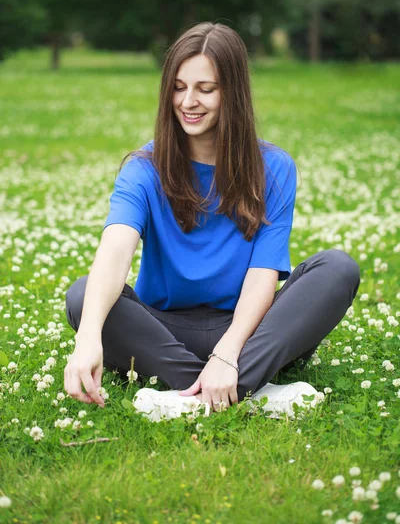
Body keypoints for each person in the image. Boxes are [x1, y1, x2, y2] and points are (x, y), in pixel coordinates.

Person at [64, 22, 360, 421]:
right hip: (164, 332)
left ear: (232, 93)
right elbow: (115, 250)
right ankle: (251, 392)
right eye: (179, 87)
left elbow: (262, 278)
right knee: (84, 298)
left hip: (250, 330)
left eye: (206, 89)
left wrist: (228, 352)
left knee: (337, 268)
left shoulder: (274, 168)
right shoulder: (143, 169)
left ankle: (191, 395)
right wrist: (87, 337)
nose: (189, 101)